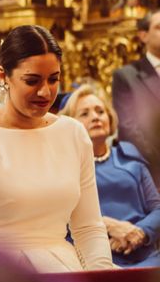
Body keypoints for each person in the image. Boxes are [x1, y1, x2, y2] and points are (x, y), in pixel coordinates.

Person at [0, 25, 113, 272]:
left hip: (61, 271)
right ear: (3, 76)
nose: (45, 91)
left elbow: (89, 226)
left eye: (53, 79)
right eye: (32, 80)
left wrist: (104, 280)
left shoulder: (73, 134)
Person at [61, 84, 160, 267]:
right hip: (95, 259)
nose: (95, 117)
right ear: (69, 124)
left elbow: (158, 209)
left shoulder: (132, 160)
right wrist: (107, 225)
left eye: (100, 111)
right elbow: (57, 221)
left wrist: (140, 232)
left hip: (147, 257)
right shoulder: (63, 169)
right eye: (84, 114)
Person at [112, 9, 160, 185]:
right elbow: (129, 127)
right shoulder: (127, 76)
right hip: (150, 172)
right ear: (143, 35)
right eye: (159, 27)